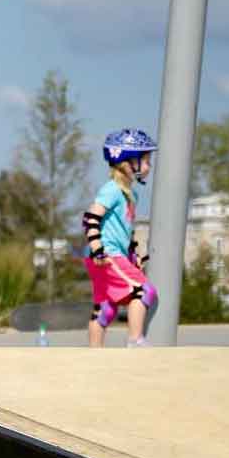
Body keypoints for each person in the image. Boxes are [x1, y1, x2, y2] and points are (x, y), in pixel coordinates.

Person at [84, 128, 159, 348]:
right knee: (143, 290)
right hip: (107, 255)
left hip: (109, 255)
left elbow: (125, 229)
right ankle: (135, 340)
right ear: (128, 163)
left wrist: (134, 255)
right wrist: (99, 249)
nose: (149, 166)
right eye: (145, 161)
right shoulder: (112, 190)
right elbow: (91, 218)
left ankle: (94, 354)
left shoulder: (130, 194)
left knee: (105, 308)